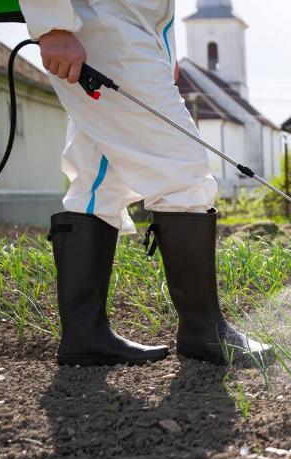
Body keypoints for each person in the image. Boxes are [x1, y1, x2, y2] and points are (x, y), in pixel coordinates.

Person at [19, 0, 269, 367]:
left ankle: (85, 334)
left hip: (127, 28)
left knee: (97, 178)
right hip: (99, 23)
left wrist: (165, 47)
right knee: (182, 167)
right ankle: (203, 331)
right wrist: (52, 24)